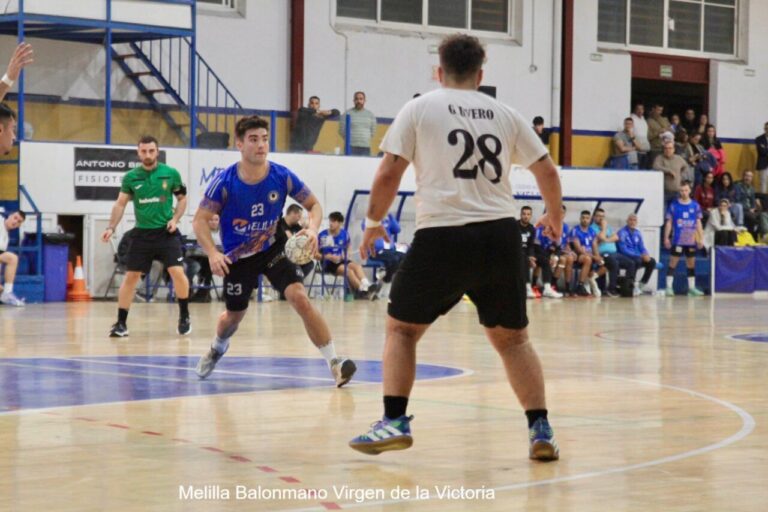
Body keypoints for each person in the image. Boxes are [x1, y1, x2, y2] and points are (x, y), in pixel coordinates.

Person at [349, 34, 562, 461]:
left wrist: (373, 223)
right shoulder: (505, 114)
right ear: (481, 74)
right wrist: (554, 215)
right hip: (500, 237)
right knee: (514, 341)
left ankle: (394, 419)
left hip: (443, 234)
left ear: (438, 71)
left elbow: (389, 172)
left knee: (402, 330)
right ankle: (540, 430)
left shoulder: (420, 107)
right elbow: (546, 170)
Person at [192, 115, 357, 387]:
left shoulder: (281, 176)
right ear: (239, 145)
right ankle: (217, 347)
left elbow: (314, 205)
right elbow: (199, 220)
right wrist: (212, 253)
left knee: (299, 298)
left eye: (265, 139)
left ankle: (335, 363)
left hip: (274, 247)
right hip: (237, 258)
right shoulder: (224, 182)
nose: (261, 145)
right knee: (232, 318)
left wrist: (313, 229)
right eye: (254, 139)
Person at [101, 135, 191, 337]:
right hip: (142, 234)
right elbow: (120, 204)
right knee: (131, 277)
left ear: (157, 152)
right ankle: (121, 324)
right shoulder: (131, 177)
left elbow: (183, 199)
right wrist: (111, 227)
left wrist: (175, 219)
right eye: (144, 151)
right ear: (138, 152)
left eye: (151, 151)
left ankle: (184, 315)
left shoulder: (171, 174)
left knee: (177, 272)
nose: (148, 155)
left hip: (166, 234)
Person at [319, 211, 380, 299]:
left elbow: (348, 246)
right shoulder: (322, 235)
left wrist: (347, 253)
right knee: (348, 271)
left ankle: (367, 285)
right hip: (328, 263)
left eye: (333, 221)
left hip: (342, 260)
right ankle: (364, 291)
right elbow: (315, 254)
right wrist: (329, 257)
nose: (331, 223)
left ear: (340, 223)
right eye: (330, 221)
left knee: (357, 266)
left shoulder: (344, 234)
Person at [661, 181, 705, 297]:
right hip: (678, 239)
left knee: (691, 264)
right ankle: (669, 288)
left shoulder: (695, 205)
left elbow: (698, 223)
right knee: (672, 263)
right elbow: (669, 222)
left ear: (690, 191)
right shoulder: (674, 205)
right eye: (681, 190)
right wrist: (666, 238)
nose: (684, 193)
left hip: (690, 240)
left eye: (686, 190)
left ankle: (691, 288)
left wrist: (701, 238)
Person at [590, 207, 631, 297]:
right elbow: (600, 237)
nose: (601, 218)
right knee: (613, 262)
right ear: (594, 217)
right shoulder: (592, 228)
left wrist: (607, 240)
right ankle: (611, 289)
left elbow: (616, 237)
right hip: (603, 253)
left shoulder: (609, 227)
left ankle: (627, 287)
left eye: (603, 217)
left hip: (614, 253)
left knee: (631, 263)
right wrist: (604, 228)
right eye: (598, 216)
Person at [616, 213, 657, 295]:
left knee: (652, 261)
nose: (632, 222)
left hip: (637, 256)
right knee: (636, 261)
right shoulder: (622, 233)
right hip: (625, 257)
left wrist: (646, 254)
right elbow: (623, 250)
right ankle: (632, 284)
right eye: (630, 220)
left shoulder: (638, 233)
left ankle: (641, 285)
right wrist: (640, 256)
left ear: (637, 222)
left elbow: (642, 247)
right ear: (627, 221)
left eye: (634, 220)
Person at [361, 213, 407, 285]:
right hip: (376, 252)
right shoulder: (369, 219)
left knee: (403, 256)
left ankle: (390, 278)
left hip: (390, 250)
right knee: (394, 258)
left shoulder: (387, 219)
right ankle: (386, 279)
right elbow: (365, 227)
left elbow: (397, 229)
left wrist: (390, 217)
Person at [277, 204, 314, 278]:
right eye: (299, 216)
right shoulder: (280, 223)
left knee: (309, 263)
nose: (299, 219)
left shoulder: (296, 226)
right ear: (292, 214)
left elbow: (305, 241)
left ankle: (297, 281)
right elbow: (291, 239)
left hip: (294, 256)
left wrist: (306, 228)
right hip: (280, 255)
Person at [0, 209, 26, 306]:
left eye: (19, 222)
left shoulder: (5, 239)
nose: (15, 222)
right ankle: (8, 293)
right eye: (15, 218)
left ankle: (6, 294)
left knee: (1, 290)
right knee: (12, 258)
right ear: (10, 216)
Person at [734, 170, 768, 242]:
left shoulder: (752, 188)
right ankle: (754, 236)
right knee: (752, 217)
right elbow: (737, 201)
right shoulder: (737, 186)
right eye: (747, 176)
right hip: (742, 210)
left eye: (750, 176)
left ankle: (764, 235)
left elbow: (752, 201)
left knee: (763, 215)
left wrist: (754, 208)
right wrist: (748, 209)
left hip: (750, 210)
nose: (748, 178)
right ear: (743, 176)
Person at [339, 91, 376, 156]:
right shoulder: (347, 113)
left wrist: (364, 139)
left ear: (364, 100)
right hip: (350, 147)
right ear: (354, 101)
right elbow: (341, 130)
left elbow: (373, 132)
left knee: (364, 166)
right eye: (356, 99)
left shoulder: (370, 115)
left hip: (365, 147)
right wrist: (350, 140)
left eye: (361, 99)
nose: (359, 101)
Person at [654, 141, 689, 208]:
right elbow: (655, 167)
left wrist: (680, 175)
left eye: (670, 148)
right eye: (666, 148)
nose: (668, 150)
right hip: (664, 192)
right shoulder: (660, 158)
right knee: (664, 213)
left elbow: (686, 166)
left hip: (677, 191)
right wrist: (668, 171)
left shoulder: (678, 158)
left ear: (674, 149)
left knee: (675, 213)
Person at [518, 206, 539, 298]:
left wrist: (532, 256)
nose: (526, 216)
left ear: (531, 216)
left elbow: (531, 245)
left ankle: (548, 287)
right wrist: (528, 258)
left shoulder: (532, 228)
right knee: (525, 260)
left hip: (526, 253)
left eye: (528, 214)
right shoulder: (514, 226)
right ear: (520, 215)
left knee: (544, 259)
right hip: (516, 252)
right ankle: (527, 286)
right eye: (524, 214)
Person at [630, 103, 651, 169]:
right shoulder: (632, 118)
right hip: (636, 150)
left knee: (643, 169)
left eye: (641, 109)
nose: (640, 111)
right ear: (634, 110)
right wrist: (635, 144)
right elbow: (630, 133)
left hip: (644, 150)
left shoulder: (643, 120)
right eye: (638, 109)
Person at [755, 122, 768, 195]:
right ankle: (763, 202)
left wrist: (766, 148)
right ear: (764, 129)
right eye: (766, 128)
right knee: (763, 183)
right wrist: (765, 150)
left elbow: (765, 150)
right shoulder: (759, 139)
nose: (767, 130)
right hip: (763, 164)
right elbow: (762, 151)